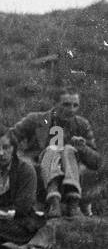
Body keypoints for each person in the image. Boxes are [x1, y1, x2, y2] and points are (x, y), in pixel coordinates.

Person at [11, 88, 100, 218]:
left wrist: (82, 148)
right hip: (40, 174)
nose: (71, 109)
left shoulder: (82, 124)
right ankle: (54, 201)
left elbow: (96, 162)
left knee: (68, 149)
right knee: (53, 149)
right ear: (55, 103)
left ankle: (72, 202)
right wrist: (22, 159)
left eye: (75, 105)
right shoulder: (36, 120)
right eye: (66, 104)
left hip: (70, 173)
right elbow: (9, 138)